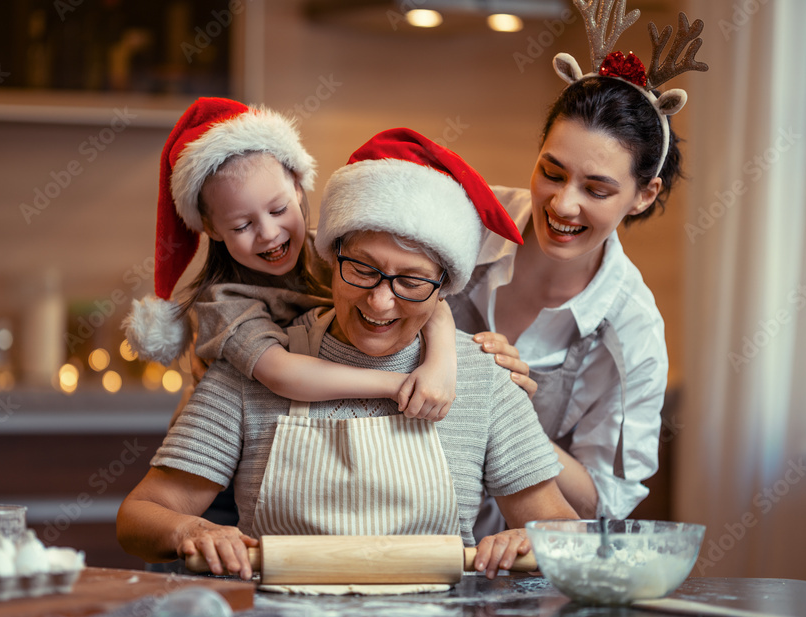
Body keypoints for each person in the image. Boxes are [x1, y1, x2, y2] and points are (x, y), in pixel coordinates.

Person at [117, 128, 579, 580]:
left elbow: (565, 529)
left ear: (444, 288)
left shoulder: (479, 378)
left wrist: (530, 540)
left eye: (412, 281)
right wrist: (190, 530)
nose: (380, 302)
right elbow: (139, 518)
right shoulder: (248, 368)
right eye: (362, 269)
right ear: (330, 258)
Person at [451, 8, 707, 528]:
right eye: (551, 172)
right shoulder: (464, 224)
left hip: (518, 561)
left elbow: (599, 503)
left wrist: (510, 408)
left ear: (643, 195)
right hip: (399, 529)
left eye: (596, 189)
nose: (563, 205)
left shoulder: (629, 330)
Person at [123, 97, 456, 421]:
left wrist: (440, 367)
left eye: (278, 209)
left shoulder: (336, 253)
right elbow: (282, 374)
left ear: (298, 187)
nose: (268, 233)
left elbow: (425, 296)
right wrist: (401, 385)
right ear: (212, 228)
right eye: (242, 225)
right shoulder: (224, 303)